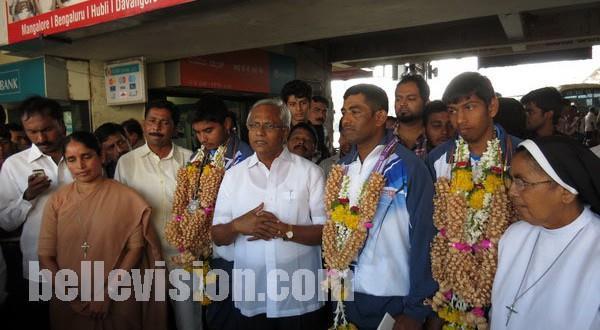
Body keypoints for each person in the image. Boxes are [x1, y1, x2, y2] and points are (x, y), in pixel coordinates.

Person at [211, 99, 328, 329]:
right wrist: (237, 226)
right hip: (252, 295)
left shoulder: (310, 173)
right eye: (254, 125)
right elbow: (217, 235)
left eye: (269, 126)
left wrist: (285, 230)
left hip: (299, 296)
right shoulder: (234, 176)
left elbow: (327, 233)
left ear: (285, 131)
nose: (259, 132)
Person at [328, 84, 436, 330]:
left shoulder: (408, 167)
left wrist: (416, 310)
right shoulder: (342, 169)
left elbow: (425, 238)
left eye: (356, 112)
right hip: (346, 294)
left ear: (379, 117)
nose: (346, 120)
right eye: (344, 112)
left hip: (392, 295)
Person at [38, 131, 166, 330]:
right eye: (72, 159)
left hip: (118, 295)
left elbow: (135, 249)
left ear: (100, 156)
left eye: (86, 156)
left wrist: (108, 293)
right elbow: (45, 256)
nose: (80, 166)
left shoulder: (127, 197)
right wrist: (70, 296)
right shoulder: (57, 201)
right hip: (69, 297)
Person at [427, 72, 521, 329]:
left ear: (492, 106)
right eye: (453, 110)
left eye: (469, 107)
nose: (459, 119)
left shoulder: (521, 157)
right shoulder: (439, 160)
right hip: (454, 284)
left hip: (507, 281)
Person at [491, 136, 600, 330]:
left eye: (522, 183)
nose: (511, 192)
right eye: (511, 180)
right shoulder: (514, 237)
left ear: (566, 192)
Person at [114, 100, 194, 330]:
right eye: (152, 121)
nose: (156, 127)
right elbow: (121, 211)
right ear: (143, 124)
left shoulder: (191, 160)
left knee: (188, 318)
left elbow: (201, 206)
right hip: (144, 255)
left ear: (174, 127)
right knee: (149, 318)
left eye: (164, 122)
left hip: (184, 255)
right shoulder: (127, 163)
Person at [0, 96, 73, 329]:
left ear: (61, 124)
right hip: (37, 266)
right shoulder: (15, 165)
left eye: (47, 130)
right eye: (32, 132)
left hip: (84, 259)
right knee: (41, 321)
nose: (40, 138)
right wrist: (27, 197)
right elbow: (5, 222)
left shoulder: (81, 157)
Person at [184, 95, 253, 330]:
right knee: (214, 314)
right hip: (206, 248)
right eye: (198, 132)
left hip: (236, 250)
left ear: (227, 124)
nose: (203, 138)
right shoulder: (198, 157)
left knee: (236, 316)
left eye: (209, 130)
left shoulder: (245, 157)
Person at [394, 74, 430, 159]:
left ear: (426, 103)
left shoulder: (435, 137)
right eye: (398, 99)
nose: (403, 103)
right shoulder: (384, 138)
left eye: (411, 98)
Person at [308, 96, 332, 163]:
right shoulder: (300, 131)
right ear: (308, 110)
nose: (321, 115)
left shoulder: (324, 131)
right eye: (317, 110)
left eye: (324, 111)